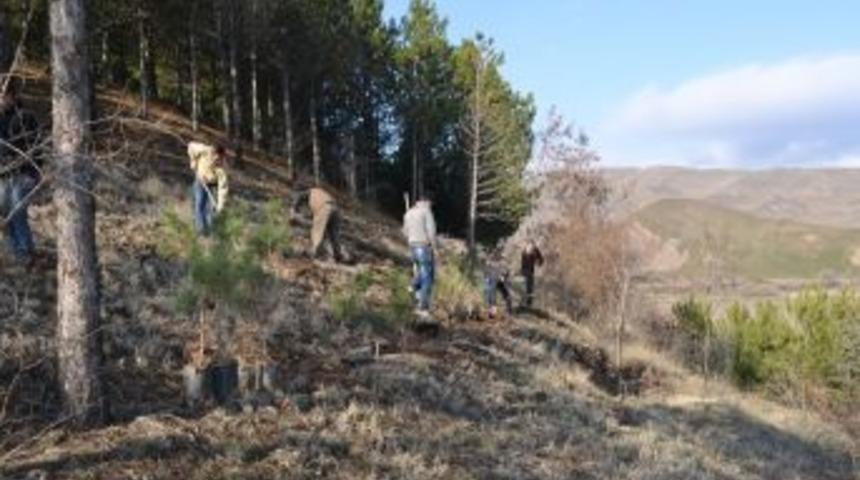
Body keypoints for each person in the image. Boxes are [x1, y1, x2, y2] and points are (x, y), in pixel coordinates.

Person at [0, 86, 42, 263]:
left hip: (25, 172)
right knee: (4, 208)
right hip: (4, 174)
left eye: (3, 96)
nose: (1, 100)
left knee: (17, 209)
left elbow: (34, 148)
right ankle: (14, 248)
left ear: (13, 96)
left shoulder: (25, 117)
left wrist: (30, 172)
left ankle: (25, 250)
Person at [403, 193, 436, 315]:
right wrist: (434, 248)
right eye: (430, 204)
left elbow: (405, 231)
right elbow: (431, 231)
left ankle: (414, 287)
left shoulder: (409, 213)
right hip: (423, 246)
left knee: (421, 272)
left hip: (412, 246)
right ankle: (423, 307)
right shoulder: (426, 212)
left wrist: (412, 238)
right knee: (428, 277)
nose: (431, 206)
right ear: (427, 202)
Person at [187, 141, 229, 236]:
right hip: (200, 181)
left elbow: (223, 188)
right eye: (216, 157)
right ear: (213, 152)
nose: (217, 160)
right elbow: (190, 146)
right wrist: (193, 161)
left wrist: (220, 206)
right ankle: (201, 231)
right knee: (199, 205)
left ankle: (211, 231)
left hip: (213, 185)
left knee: (211, 209)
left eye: (220, 159)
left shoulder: (222, 168)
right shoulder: (205, 150)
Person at [293, 186, 344, 262]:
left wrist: (294, 208)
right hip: (335, 209)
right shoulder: (319, 192)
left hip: (324, 208)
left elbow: (299, 197)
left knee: (316, 232)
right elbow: (315, 212)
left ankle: (314, 254)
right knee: (334, 234)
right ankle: (338, 255)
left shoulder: (309, 192)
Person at [484, 249, 513, 318]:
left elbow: (506, 270)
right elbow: (486, 271)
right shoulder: (489, 262)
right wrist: (486, 277)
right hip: (493, 279)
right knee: (490, 294)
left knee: (507, 294)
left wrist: (503, 275)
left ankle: (509, 310)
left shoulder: (503, 262)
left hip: (502, 281)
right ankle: (492, 311)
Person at [520, 239, 544, 308]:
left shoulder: (527, 249)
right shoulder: (530, 249)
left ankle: (526, 303)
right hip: (528, 270)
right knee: (528, 286)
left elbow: (541, 260)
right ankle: (527, 303)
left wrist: (538, 262)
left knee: (527, 286)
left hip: (526, 270)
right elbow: (541, 260)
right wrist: (538, 262)